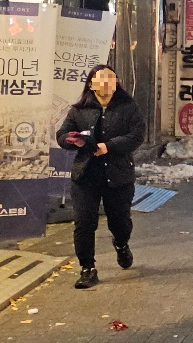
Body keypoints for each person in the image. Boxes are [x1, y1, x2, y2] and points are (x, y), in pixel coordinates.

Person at [56, 64, 146, 289]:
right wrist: (70, 139)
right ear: (91, 84)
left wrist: (109, 146)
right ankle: (87, 268)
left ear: (116, 83)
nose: (107, 82)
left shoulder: (128, 107)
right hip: (86, 175)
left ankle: (121, 244)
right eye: (101, 79)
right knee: (84, 223)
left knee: (120, 222)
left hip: (118, 175)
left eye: (111, 78)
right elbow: (62, 134)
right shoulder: (79, 110)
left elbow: (136, 135)